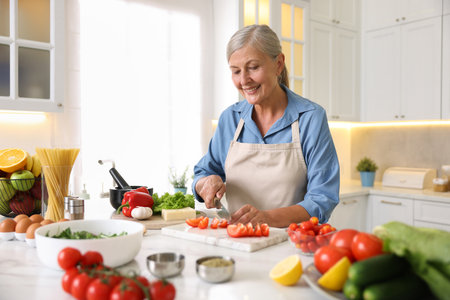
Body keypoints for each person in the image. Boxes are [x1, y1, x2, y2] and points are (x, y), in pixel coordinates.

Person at [192, 24, 340, 228]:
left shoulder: (310, 118)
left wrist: (267, 218)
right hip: (237, 240)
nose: (244, 80)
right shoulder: (231, 119)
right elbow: (203, 172)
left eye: (253, 67)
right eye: (236, 71)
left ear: (278, 63)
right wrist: (206, 184)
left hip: (292, 242)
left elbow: (322, 199)